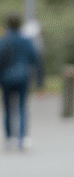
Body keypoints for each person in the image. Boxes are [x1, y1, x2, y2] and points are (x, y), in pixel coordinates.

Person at [0, 13, 45, 150]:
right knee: (22, 107)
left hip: (6, 78)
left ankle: (9, 138)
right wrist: (40, 80)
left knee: (8, 108)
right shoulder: (26, 40)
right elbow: (36, 59)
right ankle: (23, 137)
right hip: (23, 77)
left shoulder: (3, 41)